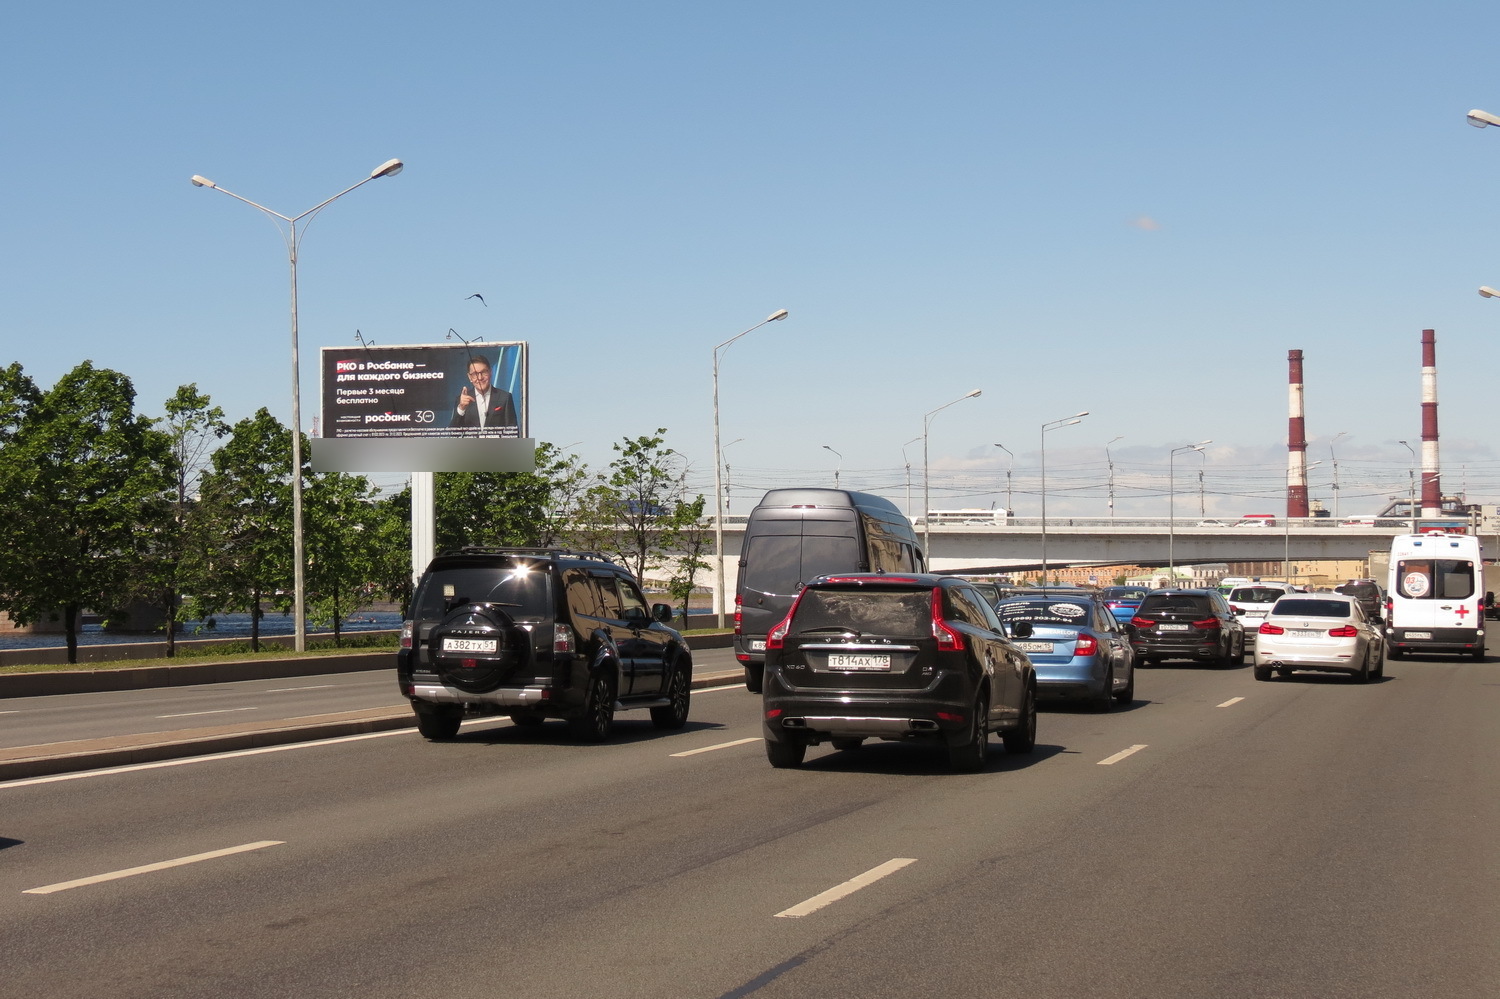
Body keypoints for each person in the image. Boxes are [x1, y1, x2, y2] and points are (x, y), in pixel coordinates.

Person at [452, 354, 518, 429]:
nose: (480, 378)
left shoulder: (505, 397)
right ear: (469, 377)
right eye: (475, 374)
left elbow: (513, 432)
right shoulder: (461, 400)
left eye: (484, 372)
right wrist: (461, 409)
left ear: (490, 372)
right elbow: (453, 434)